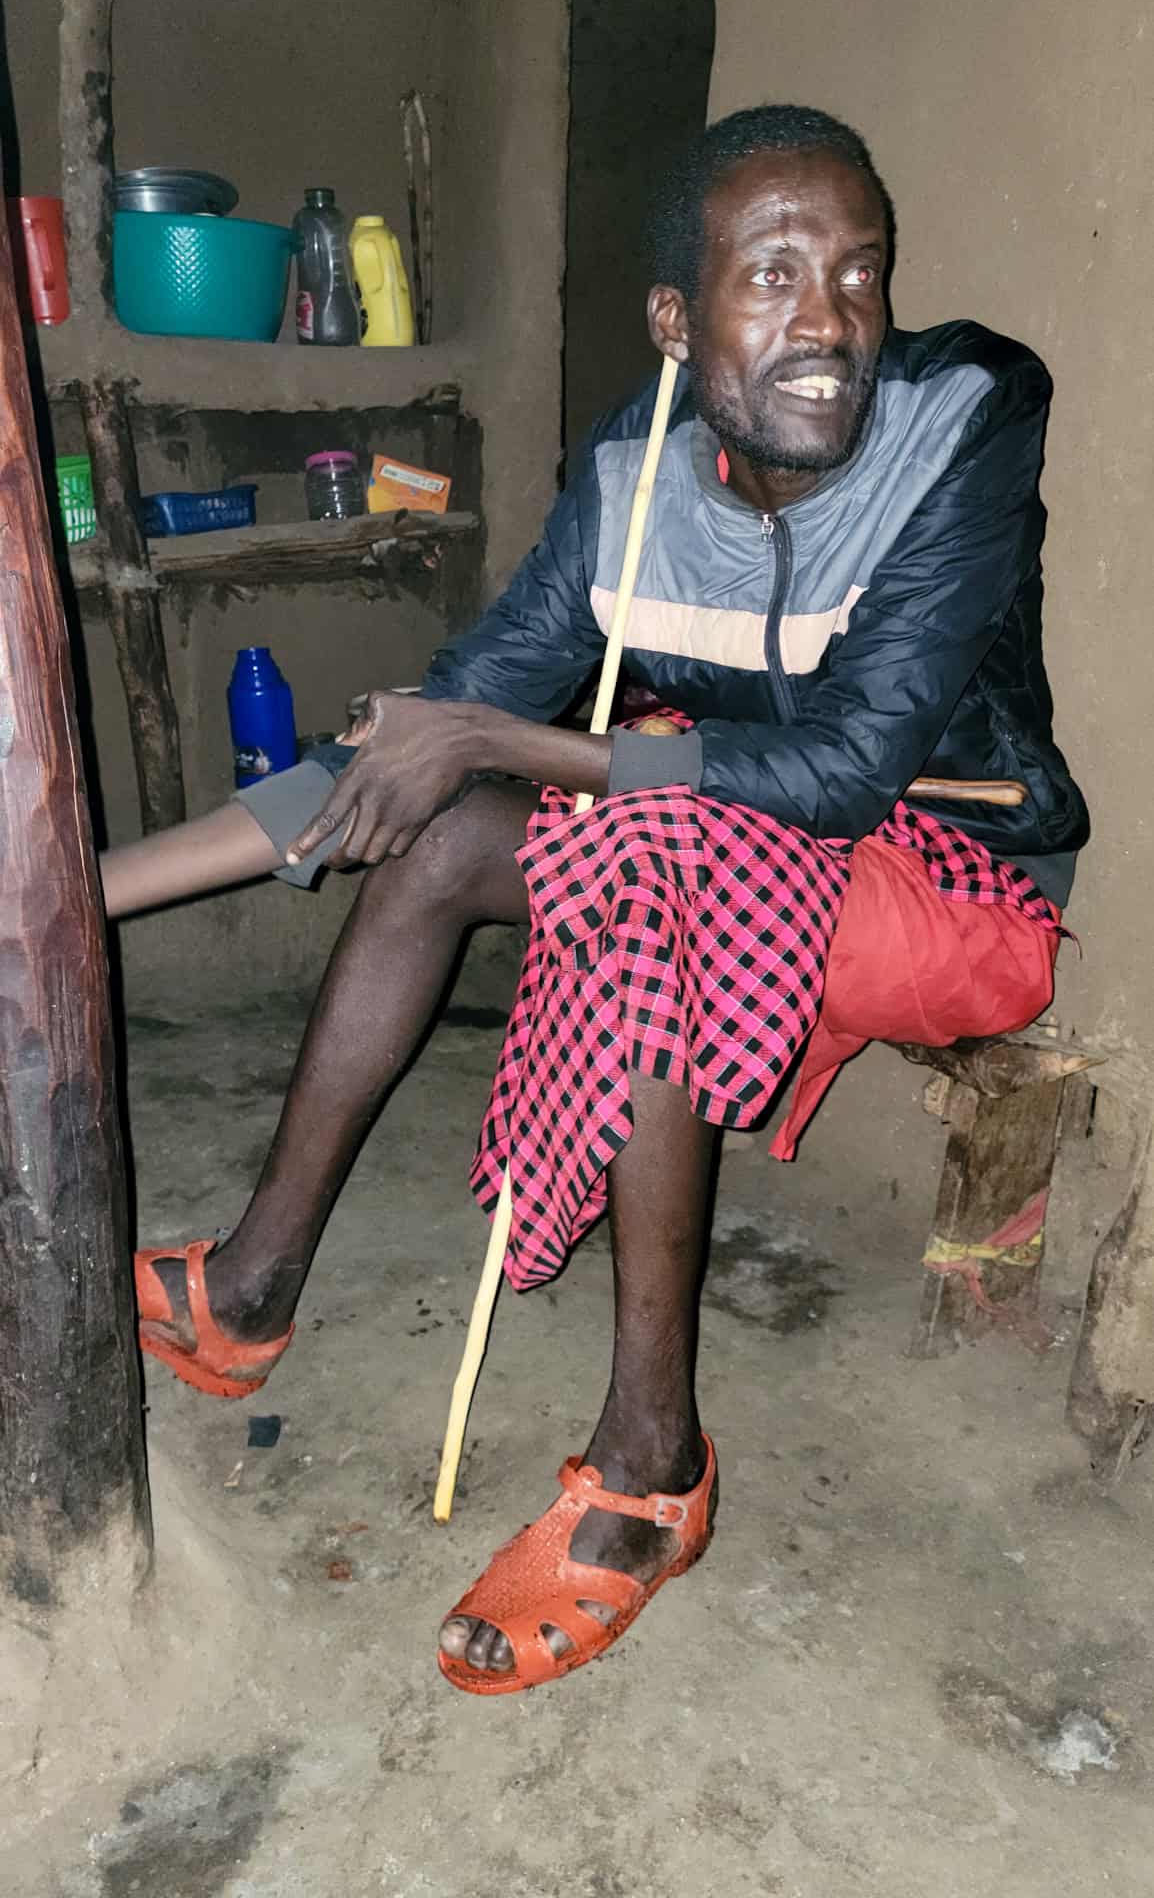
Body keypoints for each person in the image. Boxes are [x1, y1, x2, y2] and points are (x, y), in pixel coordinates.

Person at [111, 104, 1088, 1696]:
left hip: (946, 880)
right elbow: (423, 747)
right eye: (770, 274)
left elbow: (841, 774)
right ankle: (249, 1287)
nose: (828, 318)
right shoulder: (629, 479)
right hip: (734, 856)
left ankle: (650, 1470)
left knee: (641, 847)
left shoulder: (961, 424)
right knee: (452, 839)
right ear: (673, 318)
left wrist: (513, 742)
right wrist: (70, 898)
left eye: (857, 271)